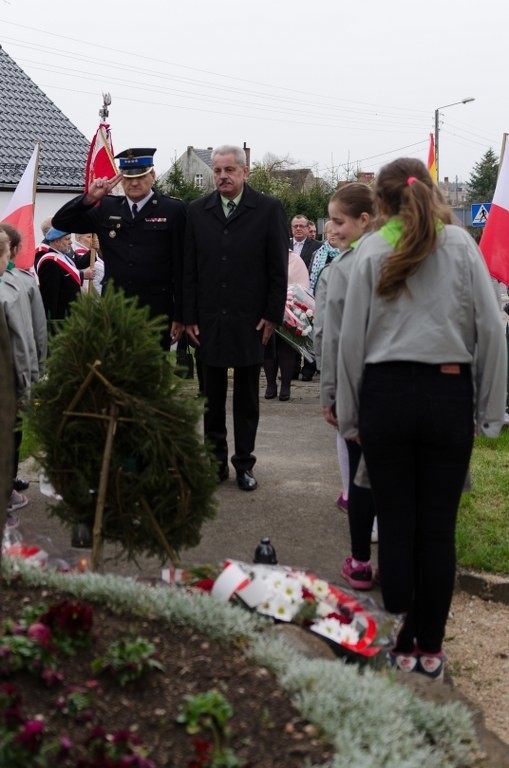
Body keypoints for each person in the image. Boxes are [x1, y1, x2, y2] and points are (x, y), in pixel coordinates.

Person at [337, 158, 507, 679]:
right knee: (438, 526)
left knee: (397, 521)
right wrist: (491, 412)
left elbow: (351, 340)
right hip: (446, 393)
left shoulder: (369, 249)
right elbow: (493, 330)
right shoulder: (460, 246)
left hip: (386, 396)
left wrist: (350, 415)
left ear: (379, 205)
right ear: (431, 193)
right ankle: (429, 646)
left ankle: (401, 635)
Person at [183, 144, 288, 491]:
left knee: (247, 400)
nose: (223, 177)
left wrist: (272, 315)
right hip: (208, 322)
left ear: (245, 172)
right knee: (210, 399)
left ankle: (244, 464)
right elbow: (189, 270)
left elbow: (278, 268)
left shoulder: (268, 209)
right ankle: (214, 464)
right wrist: (189, 316)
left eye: (229, 170)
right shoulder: (197, 211)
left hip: (250, 322)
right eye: (217, 171)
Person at [52, 148, 187, 349]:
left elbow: (182, 265)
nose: (134, 183)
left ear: (152, 176)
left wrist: (181, 315)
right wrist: (89, 199)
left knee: (151, 374)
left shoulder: (173, 210)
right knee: (115, 373)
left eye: (141, 177)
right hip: (115, 308)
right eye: (128, 177)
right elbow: (61, 222)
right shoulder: (108, 208)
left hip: (156, 310)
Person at [319, 184, 377, 590]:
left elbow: (331, 337)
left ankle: (360, 562)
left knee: (361, 480)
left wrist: (330, 395)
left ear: (364, 221)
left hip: (359, 388)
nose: (331, 229)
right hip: (406, 387)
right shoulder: (406, 256)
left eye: (339, 221)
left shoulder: (344, 267)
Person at [1, 223, 48, 501]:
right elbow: (31, 336)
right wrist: (34, 375)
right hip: (11, 376)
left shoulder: (23, 282)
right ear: (14, 251)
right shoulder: (20, 284)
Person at [263, 248, 309, 402]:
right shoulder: (260, 256)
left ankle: (285, 386)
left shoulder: (295, 260)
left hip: (289, 312)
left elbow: (303, 287)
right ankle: (270, 384)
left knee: (286, 348)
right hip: (265, 309)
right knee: (267, 346)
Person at [35, 228, 94, 330]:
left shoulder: (62, 256)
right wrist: (51, 326)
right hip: (60, 322)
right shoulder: (49, 263)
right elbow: (49, 298)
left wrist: (93, 250)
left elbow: (76, 268)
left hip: (70, 319)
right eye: (67, 239)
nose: (71, 242)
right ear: (57, 241)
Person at [309, 219, 341, 295]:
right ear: (326, 234)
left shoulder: (346, 253)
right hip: (320, 294)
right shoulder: (317, 254)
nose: (333, 234)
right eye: (330, 231)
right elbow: (310, 275)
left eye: (335, 231)